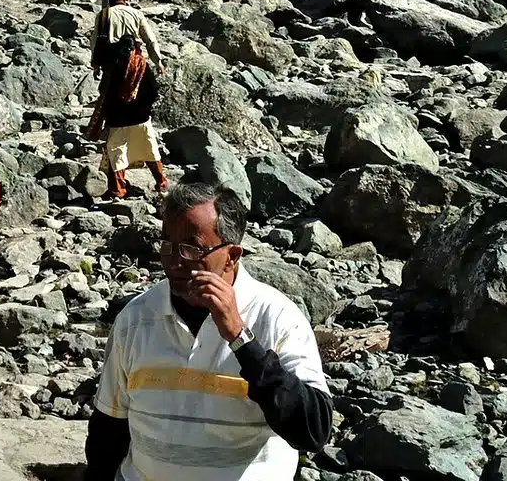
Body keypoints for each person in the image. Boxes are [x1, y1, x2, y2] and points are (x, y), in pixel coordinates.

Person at [84, 184, 331, 481]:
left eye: (191, 249)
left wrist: (241, 338)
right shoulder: (137, 318)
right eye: (167, 244)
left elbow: (313, 431)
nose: (174, 262)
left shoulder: (277, 318)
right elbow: (108, 430)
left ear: (232, 256)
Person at [90, 33, 166, 199]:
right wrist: (145, 107)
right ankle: (161, 183)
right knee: (150, 150)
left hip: (118, 119)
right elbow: (153, 91)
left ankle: (118, 190)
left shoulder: (112, 67)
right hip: (141, 117)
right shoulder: (142, 65)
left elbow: (104, 91)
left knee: (116, 153)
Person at [92, 0, 164, 80]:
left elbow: (95, 41)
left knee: (109, 91)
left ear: (110, 0)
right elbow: (150, 39)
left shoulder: (103, 14)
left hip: (111, 61)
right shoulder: (137, 14)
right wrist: (158, 62)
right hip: (133, 59)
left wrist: (96, 65)